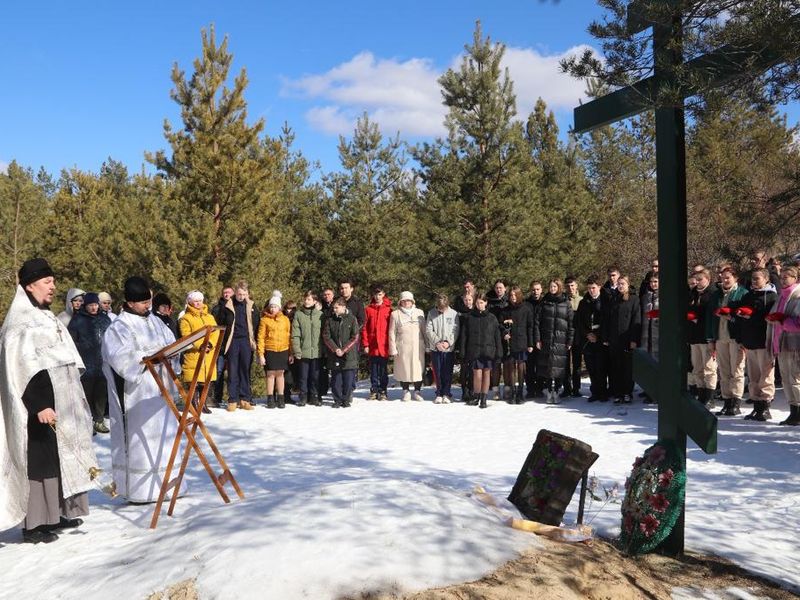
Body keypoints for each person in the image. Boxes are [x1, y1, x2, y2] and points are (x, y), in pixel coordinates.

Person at [0, 258, 95, 544]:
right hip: (38, 407)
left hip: (63, 401)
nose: (53, 286)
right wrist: (39, 404)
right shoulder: (21, 323)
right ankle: (36, 524)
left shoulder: (46, 316)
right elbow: (22, 369)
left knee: (61, 457)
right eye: (47, 282)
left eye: (53, 281)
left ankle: (59, 513)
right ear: (29, 285)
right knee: (40, 461)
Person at [102, 276, 181, 503]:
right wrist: (149, 357)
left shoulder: (155, 320)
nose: (148, 305)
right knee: (143, 440)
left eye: (149, 300)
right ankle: (143, 490)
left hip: (160, 390)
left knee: (164, 437)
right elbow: (120, 359)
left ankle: (170, 483)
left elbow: (169, 341)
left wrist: (172, 351)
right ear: (129, 302)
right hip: (138, 394)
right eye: (143, 302)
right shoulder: (119, 327)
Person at [735, 269, 777, 421]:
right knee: (753, 376)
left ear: (766, 279)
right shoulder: (747, 296)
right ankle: (756, 406)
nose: (754, 281)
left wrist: (751, 315)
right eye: (752, 279)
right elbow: (740, 320)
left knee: (765, 376)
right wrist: (741, 339)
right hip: (749, 342)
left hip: (764, 342)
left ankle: (765, 407)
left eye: (757, 279)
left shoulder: (772, 297)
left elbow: (768, 318)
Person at [68, 292, 112, 433]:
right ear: (85, 306)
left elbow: (112, 339)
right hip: (85, 363)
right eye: (90, 305)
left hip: (102, 363)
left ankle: (98, 420)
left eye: (95, 305)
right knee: (86, 394)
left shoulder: (105, 320)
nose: (93, 308)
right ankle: (87, 421)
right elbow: (71, 342)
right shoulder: (77, 320)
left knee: (101, 394)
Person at [706, 267, 747, 416]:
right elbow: (710, 318)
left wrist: (733, 317)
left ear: (735, 278)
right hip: (720, 337)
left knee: (736, 370)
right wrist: (711, 338)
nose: (725, 280)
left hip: (735, 337)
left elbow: (744, 319)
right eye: (723, 277)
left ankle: (736, 401)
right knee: (723, 370)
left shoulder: (742, 293)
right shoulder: (716, 295)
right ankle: (727, 400)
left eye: (728, 277)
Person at [177, 290, 220, 415]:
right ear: (190, 302)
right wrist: (200, 345)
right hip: (195, 353)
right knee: (195, 382)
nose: (198, 303)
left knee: (206, 382)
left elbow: (216, 332)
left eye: (200, 301)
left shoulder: (210, 317)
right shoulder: (186, 318)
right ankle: (194, 403)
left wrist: (210, 344)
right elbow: (187, 335)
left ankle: (203, 403)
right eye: (195, 301)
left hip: (208, 353)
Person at [767, 266, 800, 426]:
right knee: (786, 379)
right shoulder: (781, 296)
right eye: (781, 277)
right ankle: (793, 411)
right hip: (780, 342)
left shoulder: (798, 296)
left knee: (795, 379)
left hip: (794, 344)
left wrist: (782, 320)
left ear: (795, 278)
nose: (783, 279)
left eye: (787, 277)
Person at [459, 292, 503, 409]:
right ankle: (476, 396)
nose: (479, 305)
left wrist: (499, 352)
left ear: (486, 303)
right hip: (474, 350)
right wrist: (462, 351)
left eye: (482, 302)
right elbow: (464, 336)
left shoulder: (492, 318)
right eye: (477, 303)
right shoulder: (469, 317)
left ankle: (484, 399)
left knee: (486, 374)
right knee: (477, 374)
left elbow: (497, 336)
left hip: (488, 350)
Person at [219, 282, 258, 411]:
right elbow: (222, 323)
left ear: (247, 294)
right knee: (233, 370)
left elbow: (256, 323)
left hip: (246, 341)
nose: (241, 296)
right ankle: (232, 399)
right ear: (235, 293)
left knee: (245, 369)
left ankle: (245, 399)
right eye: (239, 294)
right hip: (233, 341)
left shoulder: (251, 306)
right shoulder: (228, 306)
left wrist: (255, 341)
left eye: (244, 294)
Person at [602, 275, 641, 404]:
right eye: (619, 284)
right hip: (614, 339)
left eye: (623, 283)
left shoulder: (634, 299)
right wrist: (606, 337)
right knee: (616, 367)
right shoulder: (613, 299)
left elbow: (636, 319)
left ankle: (627, 392)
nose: (620, 286)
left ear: (628, 285)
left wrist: (634, 339)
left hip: (627, 338)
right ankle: (618, 393)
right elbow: (607, 320)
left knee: (627, 368)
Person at [534, 279, 574, 404]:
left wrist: (570, 340)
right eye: (551, 286)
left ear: (559, 287)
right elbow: (537, 322)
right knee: (547, 366)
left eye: (555, 286)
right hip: (546, 338)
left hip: (561, 340)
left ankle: (556, 390)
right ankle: (548, 391)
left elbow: (571, 324)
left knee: (559, 367)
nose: (552, 288)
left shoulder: (566, 303)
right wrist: (538, 339)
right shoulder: (544, 302)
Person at [322, 297, 359, 408]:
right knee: (336, 380)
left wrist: (344, 350)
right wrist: (336, 349)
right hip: (335, 355)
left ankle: (346, 399)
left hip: (349, 355)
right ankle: (337, 399)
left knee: (348, 379)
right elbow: (326, 336)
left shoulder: (352, 319)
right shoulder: (330, 320)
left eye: (337, 307)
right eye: (333, 308)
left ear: (343, 307)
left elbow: (355, 336)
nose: (335, 310)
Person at [499, 285, 534, 404]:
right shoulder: (505, 310)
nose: (513, 297)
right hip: (510, 343)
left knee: (521, 367)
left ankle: (520, 391)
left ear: (519, 295)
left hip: (522, 342)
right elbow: (501, 325)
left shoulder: (526, 309)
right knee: (511, 367)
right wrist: (504, 333)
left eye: (515, 295)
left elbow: (530, 327)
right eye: (511, 295)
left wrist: (530, 343)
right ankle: (513, 391)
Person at [389, 291, 426, 401]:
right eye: (404, 301)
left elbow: (424, 330)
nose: (406, 302)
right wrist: (393, 348)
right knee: (403, 369)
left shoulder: (419, 312)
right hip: (402, 346)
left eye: (408, 300)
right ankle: (406, 391)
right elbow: (391, 332)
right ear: (400, 302)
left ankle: (417, 391)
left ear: (412, 301)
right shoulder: (395, 314)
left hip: (417, 346)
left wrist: (428, 345)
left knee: (418, 369)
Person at [257, 294, 292, 409]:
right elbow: (260, 337)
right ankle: (270, 398)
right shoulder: (264, 320)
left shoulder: (285, 319)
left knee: (280, 374)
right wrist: (261, 354)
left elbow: (289, 336)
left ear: (279, 308)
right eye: (271, 306)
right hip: (270, 349)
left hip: (283, 349)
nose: (273, 309)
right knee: (270, 374)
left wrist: (291, 353)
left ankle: (281, 398)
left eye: (275, 306)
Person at [576, 276, 609, 402]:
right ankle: (594, 392)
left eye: (593, 288)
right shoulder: (584, 302)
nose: (591, 290)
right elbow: (579, 321)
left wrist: (598, 335)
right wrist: (588, 334)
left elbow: (607, 320)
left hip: (601, 339)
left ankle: (603, 392)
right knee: (591, 367)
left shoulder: (605, 301)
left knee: (601, 367)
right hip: (588, 340)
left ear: (599, 287)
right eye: (589, 288)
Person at [688, 268, 717, 408]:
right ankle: (700, 393)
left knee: (709, 368)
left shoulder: (712, 294)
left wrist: (699, 319)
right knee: (697, 367)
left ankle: (710, 397)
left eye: (701, 279)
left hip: (706, 336)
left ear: (708, 279)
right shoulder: (692, 293)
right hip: (694, 336)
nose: (698, 283)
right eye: (696, 280)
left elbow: (712, 315)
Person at [426, 294, 460, 404]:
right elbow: (428, 329)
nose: (441, 311)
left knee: (447, 371)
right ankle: (439, 393)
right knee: (438, 371)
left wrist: (448, 342)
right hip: (436, 348)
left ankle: (447, 393)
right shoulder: (431, 313)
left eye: (443, 309)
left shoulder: (454, 314)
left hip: (448, 348)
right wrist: (437, 342)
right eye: (440, 309)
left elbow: (455, 330)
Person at [292, 291, 323, 407]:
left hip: (317, 351)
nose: (306, 301)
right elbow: (295, 334)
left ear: (315, 301)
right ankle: (303, 397)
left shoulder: (320, 315)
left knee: (315, 376)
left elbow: (324, 334)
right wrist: (297, 350)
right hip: (303, 351)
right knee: (303, 376)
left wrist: (323, 350)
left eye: (309, 299)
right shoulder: (299, 314)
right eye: (305, 299)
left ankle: (314, 396)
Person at [362, 285, 392, 401]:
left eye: (380, 294)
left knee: (383, 370)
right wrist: (366, 344)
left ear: (383, 295)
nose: (378, 297)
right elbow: (364, 328)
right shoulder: (368, 309)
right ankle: (374, 390)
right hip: (373, 345)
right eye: (376, 294)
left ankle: (383, 391)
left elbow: (391, 328)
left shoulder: (389, 310)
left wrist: (391, 345)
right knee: (374, 369)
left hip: (384, 345)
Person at [210, 286, 234, 406]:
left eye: (229, 292)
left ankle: (233, 397)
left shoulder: (236, 308)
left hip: (233, 344)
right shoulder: (216, 308)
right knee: (218, 371)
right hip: (219, 345)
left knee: (233, 371)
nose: (226, 294)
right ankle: (217, 397)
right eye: (225, 292)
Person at [487, 279, 509, 399]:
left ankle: (507, 388)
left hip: (506, 336)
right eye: (497, 288)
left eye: (501, 287)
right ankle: (495, 389)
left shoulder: (509, 300)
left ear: (505, 288)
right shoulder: (489, 301)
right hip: (494, 337)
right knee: (495, 364)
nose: (498, 290)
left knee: (507, 364)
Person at [640, 275, 660, 403]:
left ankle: (658, 391)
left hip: (659, 334)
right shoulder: (645, 297)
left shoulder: (665, 296)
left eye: (656, 282)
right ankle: (649, 391)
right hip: (646, 335)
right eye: (651, 282)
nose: (653, 284)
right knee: (648, 363)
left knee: (658, 363)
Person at [562, 276, 583, 398]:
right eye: (568, 286)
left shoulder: (582, 300)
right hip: (565, 335)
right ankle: (566, 388)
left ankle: (576, 388)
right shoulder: (563, 300)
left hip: (578, 336)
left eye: (572, 285)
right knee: (565, 363)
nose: (570, 288)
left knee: (577, 364)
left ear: (576, 286)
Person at [525, 280, 545, 398]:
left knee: (541, 365)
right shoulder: (526, 303)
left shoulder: (545, 302)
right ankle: (530, 389)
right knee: (530, 366)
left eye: (537, 289)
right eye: (533, 289)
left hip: (542, 338)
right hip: (530, 339)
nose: (535, 292)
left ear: (541, 290)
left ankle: (540, 388)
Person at [454, 291, 475, 403]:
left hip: (473, 344)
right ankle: (464, 391)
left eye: (470, 300)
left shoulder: (475, 312)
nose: (468, 302)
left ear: (473, 300)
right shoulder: (458, 313)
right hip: (462, 343)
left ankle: (471, 389)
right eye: (466, 300)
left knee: (472, 369)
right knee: (464, 369)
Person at [317, 287, 335, 403]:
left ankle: (336, 391)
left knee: (335, 368)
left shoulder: (336, 306)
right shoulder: (320, 307)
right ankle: (322, 390)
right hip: (322, 342)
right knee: (322, 368)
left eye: (329, 294)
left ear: (333, 295)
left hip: (334, 341)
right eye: (325, 294)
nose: (326, 296)